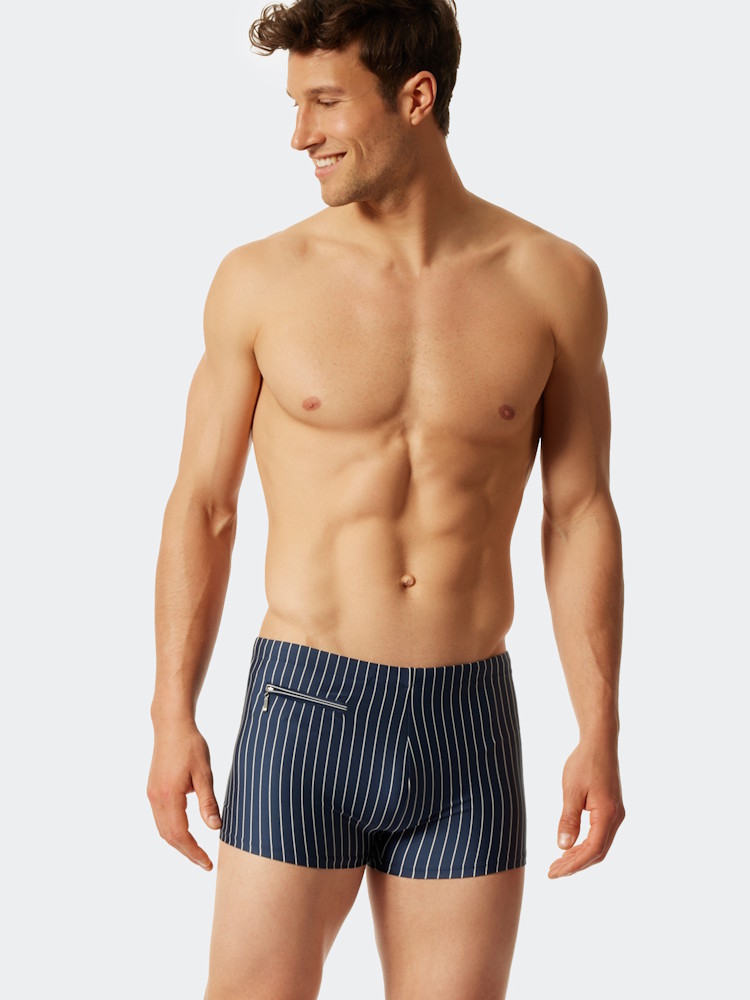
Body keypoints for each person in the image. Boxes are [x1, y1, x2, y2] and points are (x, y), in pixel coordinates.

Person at [147, 1, 625, 996]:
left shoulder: (554, 282)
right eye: (295, 104)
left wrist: (600, 727)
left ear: (416, 97)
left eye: (325, 102)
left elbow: (578, 511)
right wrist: (170, 713)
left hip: (468, 720)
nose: (299, 135)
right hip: (305, 708)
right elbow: (204, 504)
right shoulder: (262, 281)